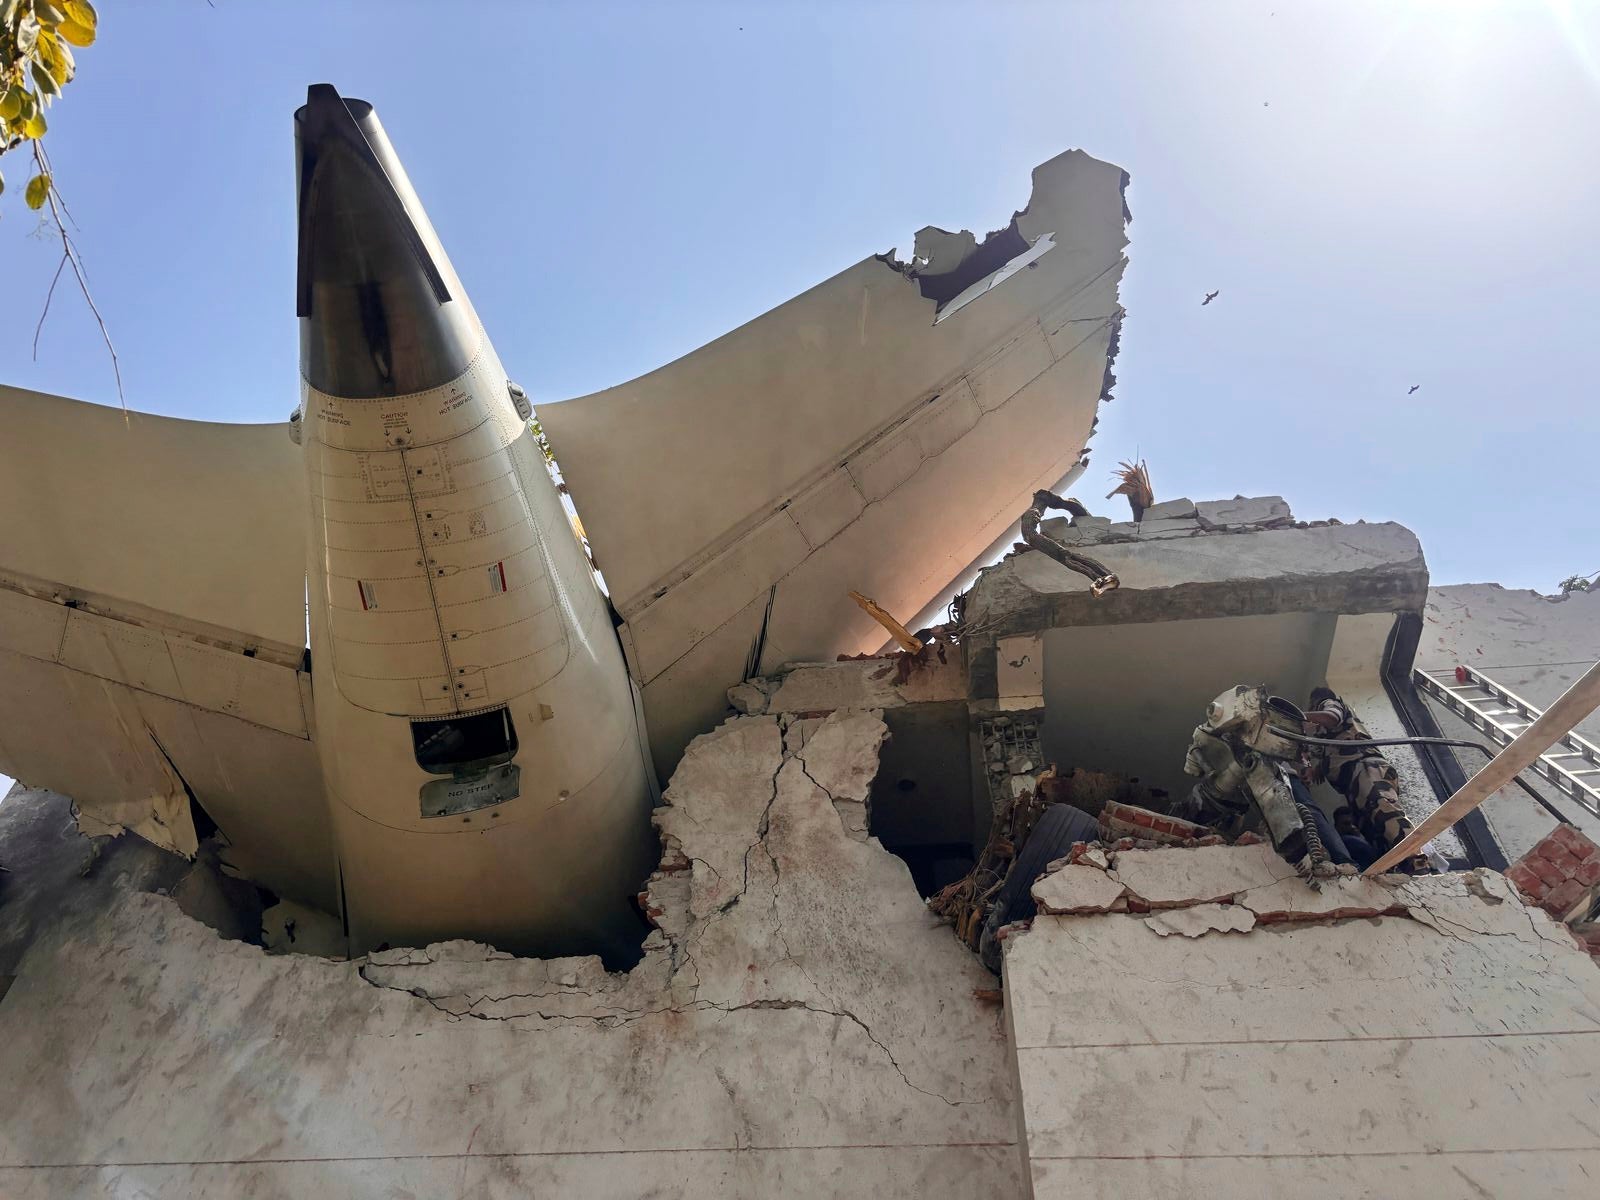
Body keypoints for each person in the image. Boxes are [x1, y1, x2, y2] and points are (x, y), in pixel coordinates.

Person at [1303, 687, 1415, 865]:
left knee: (1385, 813)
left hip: (1365, 768)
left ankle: (1417, 861)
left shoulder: (1330, 704)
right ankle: (1396, 867)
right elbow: (1316, 754)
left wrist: (1300, 716)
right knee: (1373, 828)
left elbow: (1332, 717)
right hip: (1353, 782)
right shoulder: (1324, 735)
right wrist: (1314, 768)